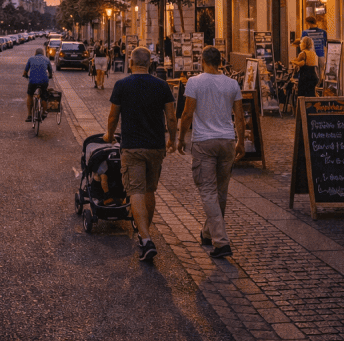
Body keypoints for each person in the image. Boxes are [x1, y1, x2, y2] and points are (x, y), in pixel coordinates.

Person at [104, 47, 177, 263]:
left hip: (132, 146)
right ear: (150, 64)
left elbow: (112, 116)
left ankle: (145, 238)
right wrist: (173, 138)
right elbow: (171, 117)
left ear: (130, 62)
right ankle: (145, 233)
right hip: (155, 147)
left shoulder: (122, 85)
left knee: (135, 190)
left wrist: (109, 135)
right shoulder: (161, 85)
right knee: (149, 190)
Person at [176, 46, 245, 259]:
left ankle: (221, 242)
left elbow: (187, 113)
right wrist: (240, 141)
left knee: (207, 191)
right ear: (220, 61)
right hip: (226, 140)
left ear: (202, 60)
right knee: (221, 191)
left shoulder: (195, 82)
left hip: (204, 142)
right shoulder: (232, 83)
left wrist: (180, 138)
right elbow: (240, 117)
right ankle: (208, 233)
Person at [22, 47, 53, 122]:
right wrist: (50, 76)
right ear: (43, 54)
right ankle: (44, 112)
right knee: (44, 95)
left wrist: (25, 75)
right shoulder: (47, 59)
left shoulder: (31, 59)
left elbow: (25, 71)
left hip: (33, 81)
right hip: (44, 81)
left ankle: (29, 115)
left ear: (35, 53)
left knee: (30, 95)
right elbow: (50, 71)